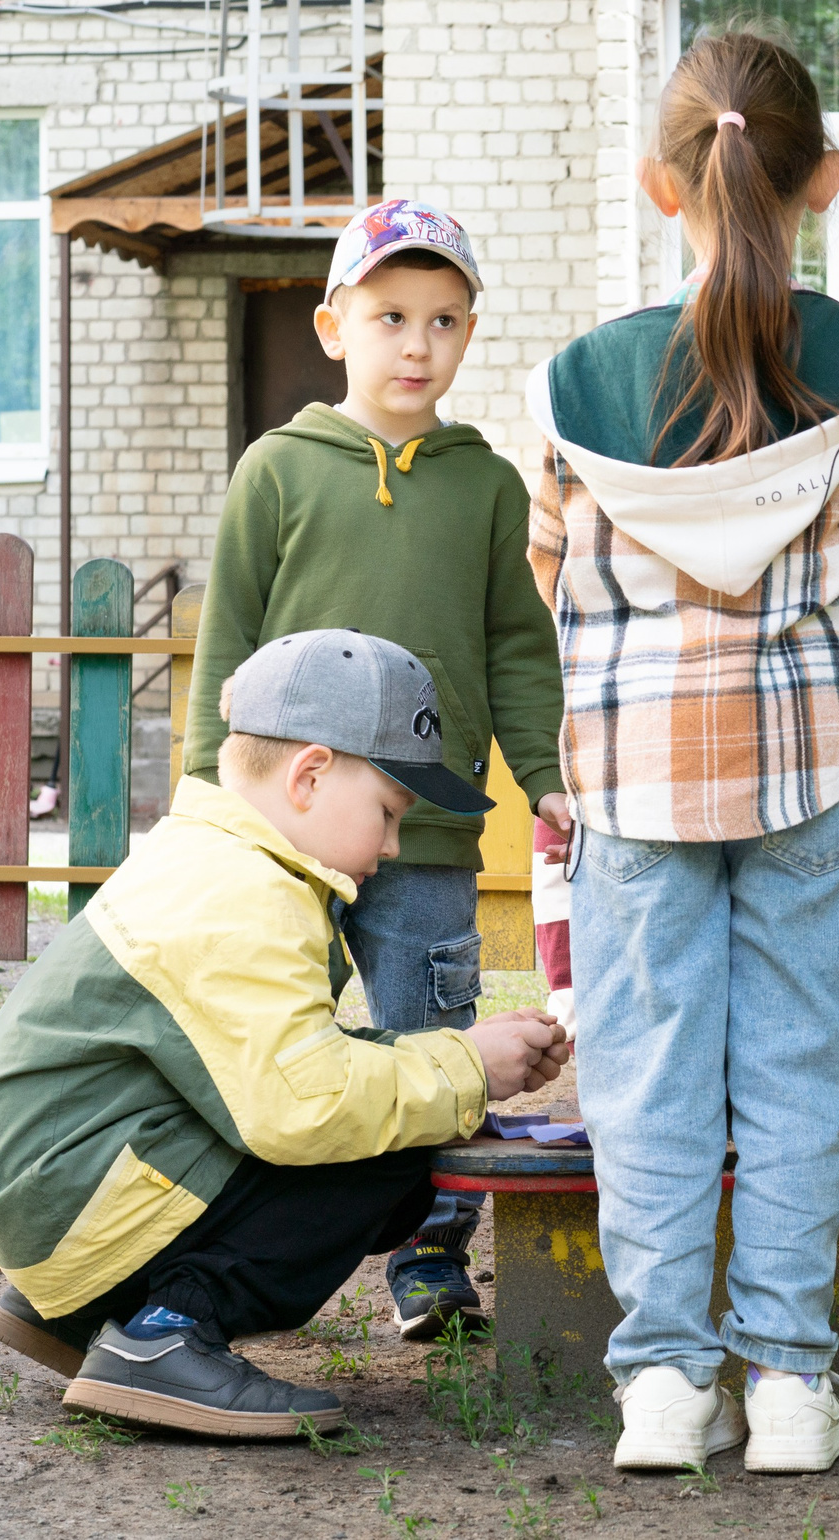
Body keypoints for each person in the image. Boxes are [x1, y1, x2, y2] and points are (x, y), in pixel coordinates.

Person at [527, 31, 839, 1476]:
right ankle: (786, 1386)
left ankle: (663, 1385)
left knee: (644, 1081)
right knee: (796, 1074)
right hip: (809, 773)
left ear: (663, 185)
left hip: (637, 782)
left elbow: (552, 584)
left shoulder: (578, 385)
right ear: (823, 177)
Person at [0, 633, 570, 1437]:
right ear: (310, 776)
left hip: (60, 1188)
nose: (392, 846)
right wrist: (466, 1070)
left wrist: (467, 1052)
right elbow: (304, 1106)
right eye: (389, 813)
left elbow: (279, 1057)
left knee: (388, 1102)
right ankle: (166, 1328)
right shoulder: (246, 892)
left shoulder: (217, 857)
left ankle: (90, 1308)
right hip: (76, 1205)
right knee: (387, 1150)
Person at [182, 199, 569, 1341]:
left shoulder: (486, 486)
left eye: (444, 320)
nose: (417, 344)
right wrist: (206, 796)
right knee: (262, 1033)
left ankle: (431, 1256)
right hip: (283, 837)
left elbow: (517, 648)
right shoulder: (276, 471)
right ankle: (235, 1243)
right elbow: (227, 643)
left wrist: (546, 773)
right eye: (391, 315)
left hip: (429, 831)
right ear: (333, 326)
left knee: (433, 1039)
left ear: (469, 334)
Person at [527, 605, 839, 1167]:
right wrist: (573, 997)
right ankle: (695, 1104)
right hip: (665, 813)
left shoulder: (806, 624)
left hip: (772, 792)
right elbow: (561, 830)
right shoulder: (620, 654)